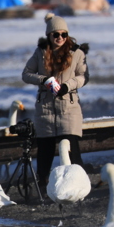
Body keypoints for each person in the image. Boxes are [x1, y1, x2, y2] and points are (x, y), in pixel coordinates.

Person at [22, 12, 88, 189]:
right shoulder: (40, 53)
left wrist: (68, 85)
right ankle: (44, 187)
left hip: (69, 107)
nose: (60, 38)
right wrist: (43, 80)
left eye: (63, 34)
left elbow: (83, 77)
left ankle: (78, 186)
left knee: (72, 150)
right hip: (46, 109)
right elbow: (26, 74)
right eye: (56, 34)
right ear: (49, 35)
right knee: (45, 152)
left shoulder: (77, 53)